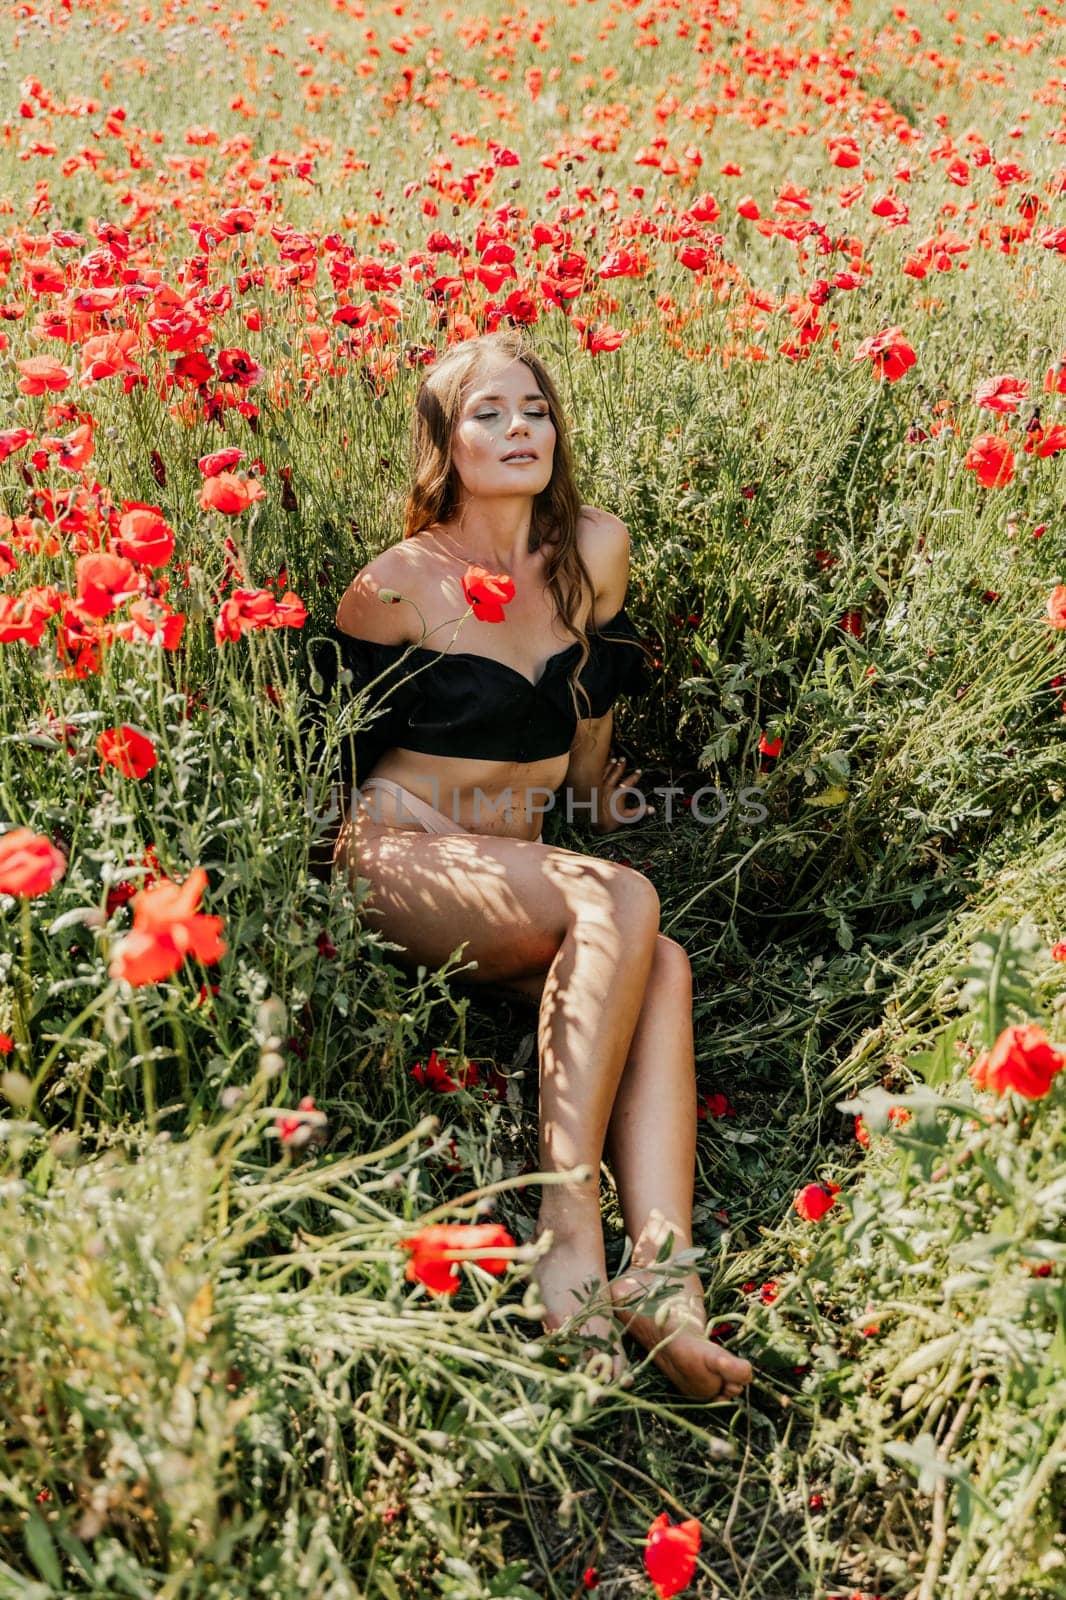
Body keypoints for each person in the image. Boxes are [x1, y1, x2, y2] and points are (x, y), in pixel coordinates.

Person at [322, 331, 753, 1401]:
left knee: (662, 964)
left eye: (535, 409)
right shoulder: (396, 586)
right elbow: (322, 760)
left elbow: (590, 711)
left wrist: (615, 808)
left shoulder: (593, 550)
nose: (520, 429)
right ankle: (570, 1240)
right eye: (487, 413)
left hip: (516, 867)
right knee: (623, 899)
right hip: (394, 853)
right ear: (441, 444)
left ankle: (665, 1277)